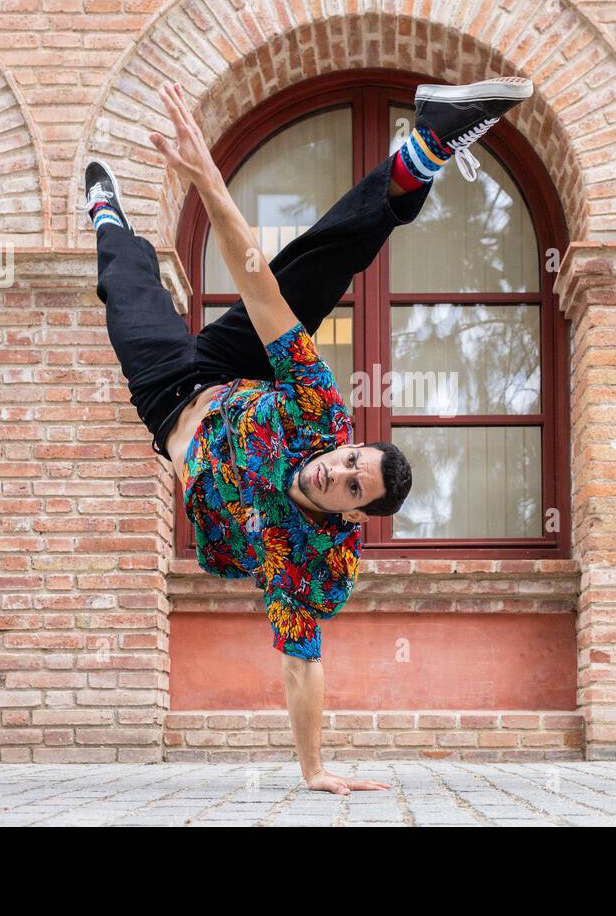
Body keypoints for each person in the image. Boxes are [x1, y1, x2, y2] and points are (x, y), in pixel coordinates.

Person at [86, 76, 533, 794]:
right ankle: (428, 146)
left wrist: (314, 769)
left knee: (128, 295)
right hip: (235, 373)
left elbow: (302, 662)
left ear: (356, 513)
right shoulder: (321, 414)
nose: (337, 471)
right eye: (350, 459)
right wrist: (207, 182)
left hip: (171, 402)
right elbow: (260, 282)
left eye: (353, 485)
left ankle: (106, 219)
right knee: (314, 270)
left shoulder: (314, 562)